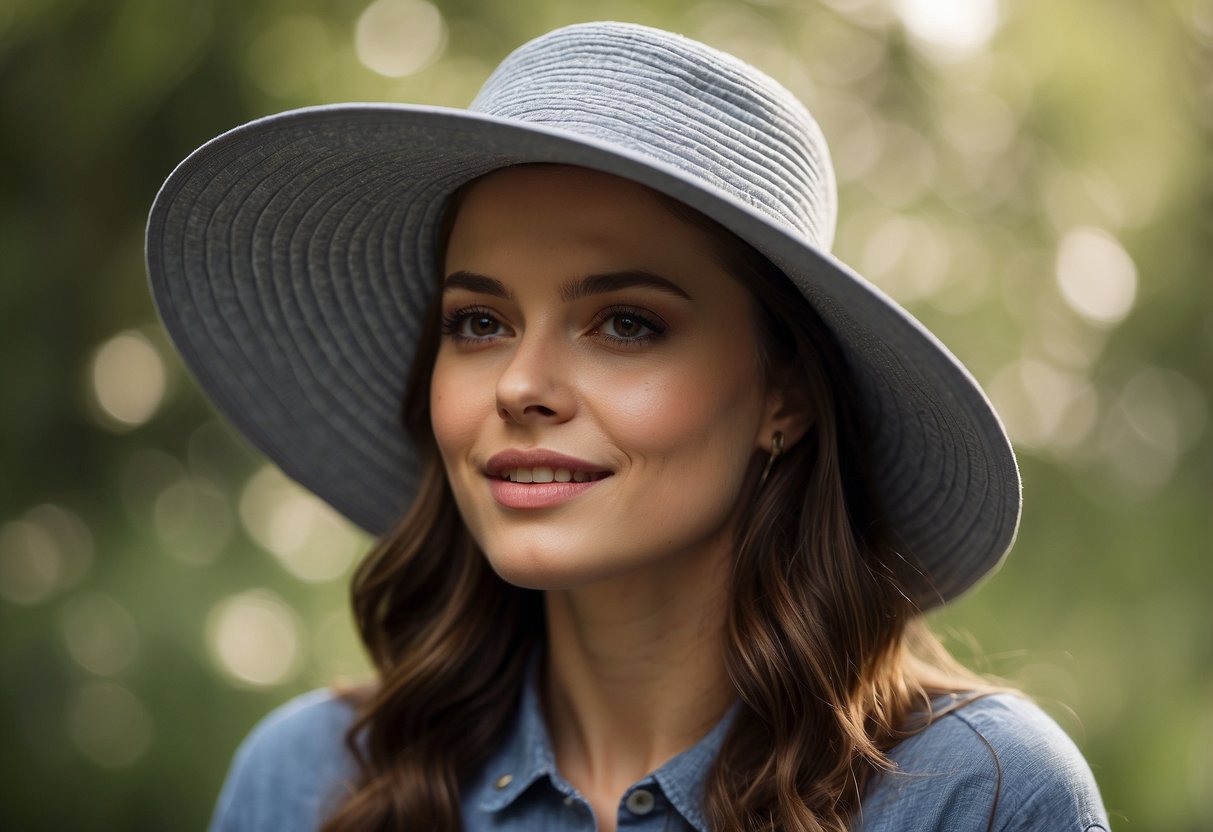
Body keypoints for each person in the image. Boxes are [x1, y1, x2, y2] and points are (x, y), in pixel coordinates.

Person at [146, 21, 1109, 832]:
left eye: (625, 323)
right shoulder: (308, 783)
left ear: (786, 397)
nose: (521, 384)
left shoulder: (975, 796)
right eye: (478, 322)